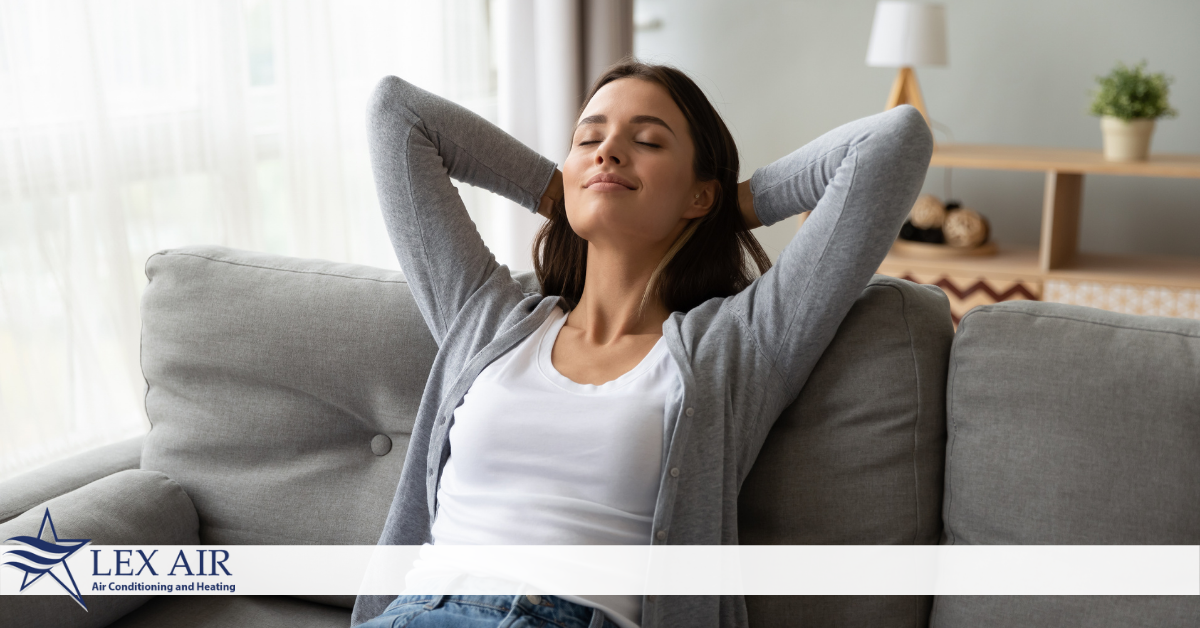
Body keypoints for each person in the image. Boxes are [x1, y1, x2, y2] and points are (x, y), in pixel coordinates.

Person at [351, 59, 932, 628]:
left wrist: (730, 206)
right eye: (588, 138)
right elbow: (397, 115)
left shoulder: (739, 346)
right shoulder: (486, 319)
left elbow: (892, 142)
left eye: (649, 142)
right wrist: (563, 190)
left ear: (698, 195)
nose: (608, 150)